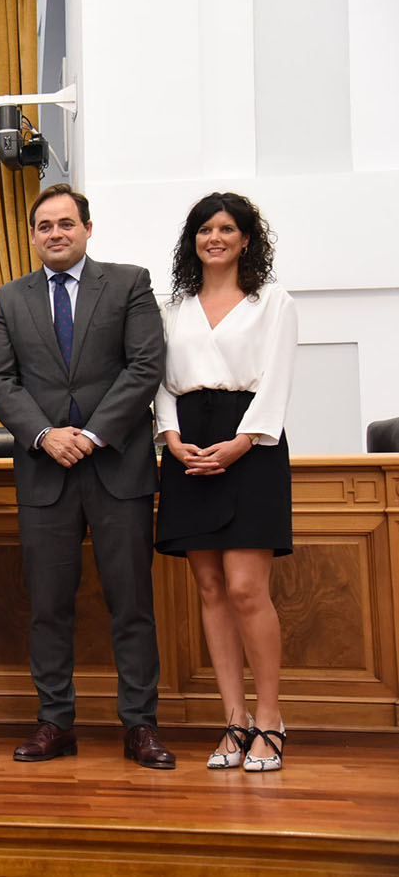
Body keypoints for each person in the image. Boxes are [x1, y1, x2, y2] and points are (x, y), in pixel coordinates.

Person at [0, 183, 174, 769]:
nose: (56, 233)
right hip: (45, 471)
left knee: (132, 604)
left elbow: (146, 365)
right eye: (45, 226)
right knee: (47, 605)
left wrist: (91, 434)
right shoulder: (10, 299)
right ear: (33, 235)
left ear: (87, 229)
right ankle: (54, 722)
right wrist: (45, 435)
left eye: (66, 223)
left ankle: (140, 726)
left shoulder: (128, 282)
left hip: (117, 467)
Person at [155, 192, 297, 772]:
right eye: (204, 229)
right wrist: (169, 438)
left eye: (226, 228)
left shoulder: (273, 302)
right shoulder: (174, 306)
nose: (214, 237)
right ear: (193, 240)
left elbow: (277, 382)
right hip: (189, 446)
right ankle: (234, 719)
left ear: (245, 240)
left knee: (245, 588)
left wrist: (240, 443)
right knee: (211, 589)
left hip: (251, 447)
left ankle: (270, 718)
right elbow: (161, 382)